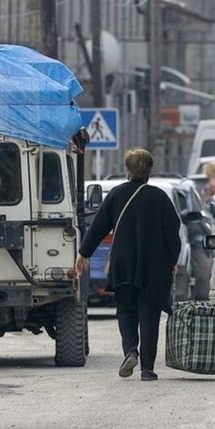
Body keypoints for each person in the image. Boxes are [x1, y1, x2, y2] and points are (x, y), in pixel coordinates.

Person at [76, 149, 181, 381]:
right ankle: (147, 369)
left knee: (125, 309)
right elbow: (173, 234)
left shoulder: (116, 194)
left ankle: (130, 350)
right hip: (153, 267)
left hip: (123, 263)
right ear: (149, 171)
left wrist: (83, 253)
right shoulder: (160, 198)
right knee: (149, 314)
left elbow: (98, 227)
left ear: (127, 170)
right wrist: (172, 261)